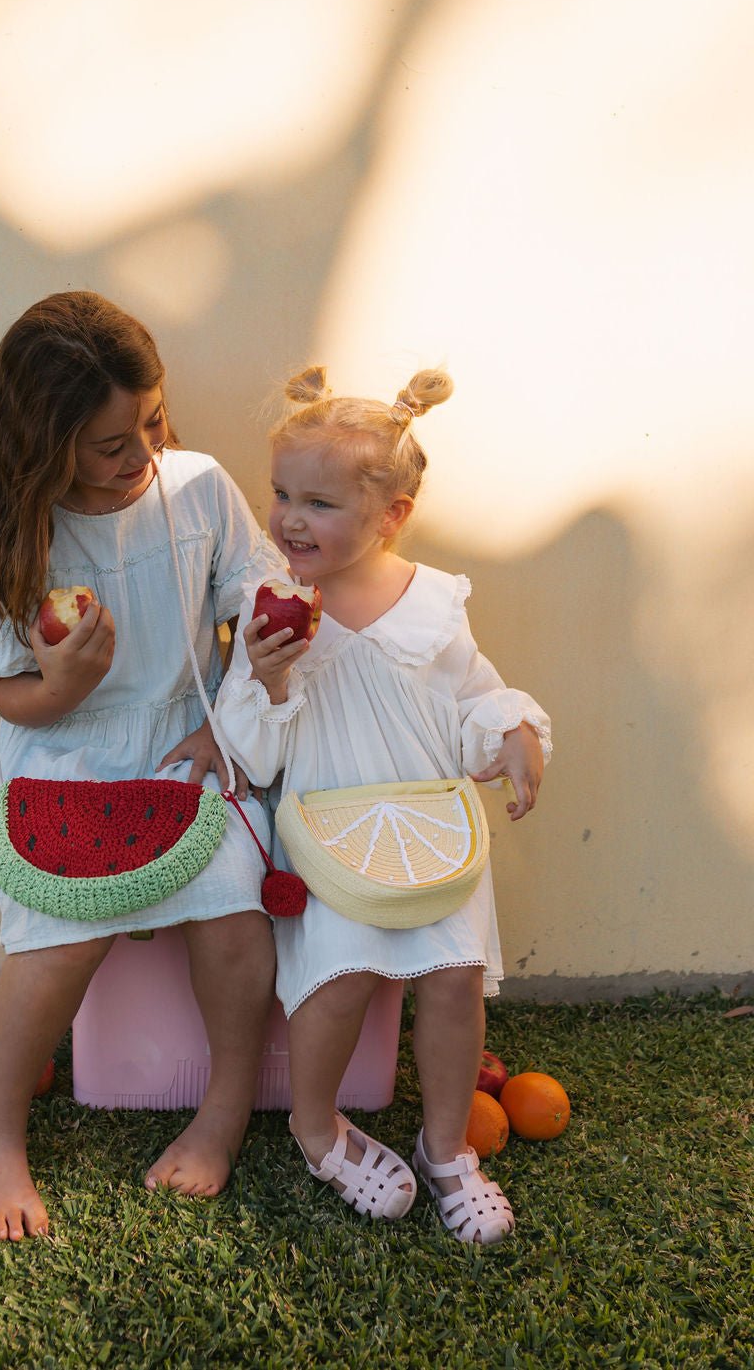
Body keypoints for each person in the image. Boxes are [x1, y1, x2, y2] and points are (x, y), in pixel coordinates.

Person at [0, 291, 287, 1241]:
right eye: (111, 444)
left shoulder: (198, 488)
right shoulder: (24, 527)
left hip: (189, 744)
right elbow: (6, 696)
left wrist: (239, 707)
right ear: (44, 447)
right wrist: (61, 686)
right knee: (59, 935)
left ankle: (223, 1113)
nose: (144, 454)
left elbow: (255, 608)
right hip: (67, 752)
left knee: (235, 916)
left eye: (154, 421)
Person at [214, 365, 551, 1243]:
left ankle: (448, 1149)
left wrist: (512, 730)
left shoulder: (434, 602)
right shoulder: (270, 608)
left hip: (432, 826)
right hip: (328, 831)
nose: (289, 518)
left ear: (391, 514)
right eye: (282, 494)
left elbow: (473, 695)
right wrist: (269, 677)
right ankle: (316, 1126)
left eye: (319, 503)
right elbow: (251, 751)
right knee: (338, 981)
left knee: (455, 979)